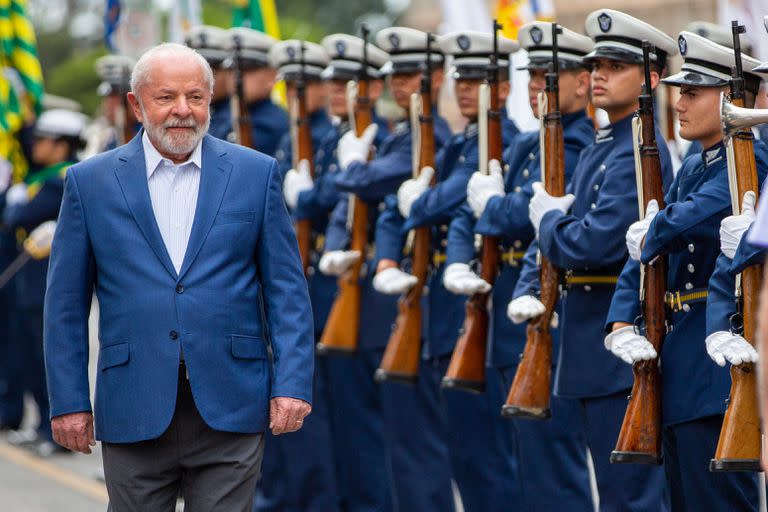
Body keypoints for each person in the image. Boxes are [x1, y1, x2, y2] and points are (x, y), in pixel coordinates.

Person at [43, 43, 314, 511]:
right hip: (134, 404)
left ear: (212, 100)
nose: (182, 111)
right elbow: (65, 305)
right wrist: (68, 400)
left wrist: (292, 384)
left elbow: (286, 290)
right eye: (166, 97)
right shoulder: (90, 183)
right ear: (136, 104)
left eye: (196, 97)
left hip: (232, 403)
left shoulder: (255, 173)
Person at [509, 9, 676, 510]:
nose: (598, 74)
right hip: (588, 342)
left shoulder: (637, 147)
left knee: (631, 498)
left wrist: (548, 224)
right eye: (597, 64)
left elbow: (593, 243)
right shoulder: (605, 145)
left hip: (614, 343)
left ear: (649, 77)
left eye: (614, 66)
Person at [607, 32, 767, 510]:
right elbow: (648, 250)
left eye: (692, 93)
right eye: (680, 91)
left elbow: (696, 213)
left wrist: (655, 227)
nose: (678, 103)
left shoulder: (750, 160)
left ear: (730, 100)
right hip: (682, 354)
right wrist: (620, 319)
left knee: (718, 498)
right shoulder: (696, 164)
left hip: (719, 352)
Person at [442, 21, 595, 510]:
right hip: (510, 312)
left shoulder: (579, 144)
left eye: (551, 76)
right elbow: (479, 206)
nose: (538, 89)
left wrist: (493, 209)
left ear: (581, 82)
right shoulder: (529, 145)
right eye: (533, 77)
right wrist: (468, 244)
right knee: (519, 462)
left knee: (551, 467)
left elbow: (536, 211)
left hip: (549, 314)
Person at [371, 30, 522, 512]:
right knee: (463, 456)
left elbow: (450, 199)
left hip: (479, 311)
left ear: (502, 88)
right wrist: (389, 256)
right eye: (461, 77)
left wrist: (419, 202)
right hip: (442, 311)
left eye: (478, 78)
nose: (464, 87)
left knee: (489, 459)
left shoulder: (505, 143)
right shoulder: (460, 142)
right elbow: (404, 207)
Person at [318, 27, 455, 512]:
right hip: (390, 298)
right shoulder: (401, 136)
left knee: (416, 443)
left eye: (411, 74)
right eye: (395, 75)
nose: (401, 85)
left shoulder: (432, 139)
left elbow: (372, 183)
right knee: (395, 441)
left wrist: (351, 170)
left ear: (437, 77)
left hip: (418, 302)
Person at [254, 36, 374, 512]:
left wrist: (308, 196)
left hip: (331, 282)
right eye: (295, 84)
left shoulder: (335, 136)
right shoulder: (295, 136)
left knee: (330, 407)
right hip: (301, 277)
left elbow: (331, 202)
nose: (304, 93)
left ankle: (323, 497)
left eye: (316, 83)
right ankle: (295, 495)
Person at [3, 108, 87, 456]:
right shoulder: (45, 178)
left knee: (47, 358)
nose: (35, 146)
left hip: (49, 284)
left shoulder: (61, 180)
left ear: (61, 146)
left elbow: (17, 216)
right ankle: (42, 426)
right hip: (31, 281)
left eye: (43, 141)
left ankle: (58, 434)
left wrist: (18, 202)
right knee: (31, 358)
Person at [224, 27, 288, 156]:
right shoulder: (228, 114)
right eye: (233, 70)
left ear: (272, 76)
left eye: (248, 70)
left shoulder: (273, 125)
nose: (237, 77)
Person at [82, 55, 137, 158]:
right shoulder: (108, 140)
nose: (109, 105)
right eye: (108, 98)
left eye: (115, 97)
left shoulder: (148, 137)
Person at [185, 25, 233, 142]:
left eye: (212, 70)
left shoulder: (240, 114)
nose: (202, 79)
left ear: (230, 71)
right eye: (194, 71)